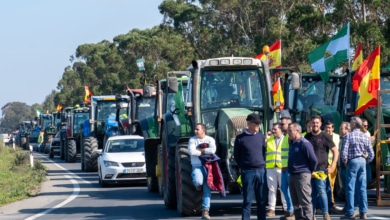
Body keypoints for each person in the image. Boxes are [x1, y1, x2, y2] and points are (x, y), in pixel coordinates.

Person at [234, 113, 267, 220]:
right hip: (248, 171)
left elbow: (264, 152)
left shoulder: (261, 137)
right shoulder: (240, 138)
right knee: (247, 200)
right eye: (256, 123)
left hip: (261, 171)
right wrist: (244, 166)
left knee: (261, 200)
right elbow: (237, 156)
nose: (258, 125)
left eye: (259, 123)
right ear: (249, 123)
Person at [305, 115, 338, 220]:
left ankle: (325, 213)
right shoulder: (307, 137)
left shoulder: (325, 137)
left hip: (321, 170)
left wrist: (332, 166)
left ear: (320, 124)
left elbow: (335, 152)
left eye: (317, 122)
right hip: (309, 170)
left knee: (322, 191)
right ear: (310, 123)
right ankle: (312, 214)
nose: (315, 124)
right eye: (313, 122)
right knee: (311, 193)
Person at [341, 117, 374, 219]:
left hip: (353, 161)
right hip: (362, 161)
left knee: (350, 187)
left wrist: (345, 162)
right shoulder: (364, 136)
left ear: (354, 124)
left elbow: (344, 152)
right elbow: (371, 154)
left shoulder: (349, 136)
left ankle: (351, 212)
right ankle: (363, 212)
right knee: (362, 188)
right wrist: (365, 161)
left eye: (351, 123)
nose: (350, 124)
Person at [287, 122, 318, 220]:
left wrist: (309, 172)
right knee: (295, 202)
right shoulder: (292, 143)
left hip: (302, 175)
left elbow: (314, 160)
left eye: (290, 130)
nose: (288, 132)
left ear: (297, 131)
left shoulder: (304, 144)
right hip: (292, 175)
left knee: (305, 200)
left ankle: (308, 218)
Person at [188, 123, 217, 220]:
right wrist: (204, 151)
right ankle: (197, 185)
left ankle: (205, 211)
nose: (195, 131)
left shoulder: (210, 139)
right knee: (198, 181)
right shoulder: (192, 140)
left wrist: (200, 151)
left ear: (203, 130)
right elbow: (191, 151)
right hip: (197, 166)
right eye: (195, 129)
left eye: (197, 129)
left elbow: (212, 150)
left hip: (208, 165)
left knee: (207, 189)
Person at [265, 123, 292, 217]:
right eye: (273, 129)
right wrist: (266, 139)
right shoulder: (269, 139)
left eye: (275, 129)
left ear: (280, 130)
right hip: (271, 167)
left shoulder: (286, 139)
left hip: (282, 167)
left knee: (283, 188)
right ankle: (271, 209)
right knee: (271, 189)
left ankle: (286, 208)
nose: (273, 131)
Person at [323, 121, 343, 213]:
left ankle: (331, 202)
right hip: (322, 164)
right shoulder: (321, 135)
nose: (328, 129)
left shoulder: (337, 137)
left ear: (333, 128)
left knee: (331, 184)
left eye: (330, 127)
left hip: (332, 164)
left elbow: (338, 150)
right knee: (321, 185)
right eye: (327, 127)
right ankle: (325, 202)